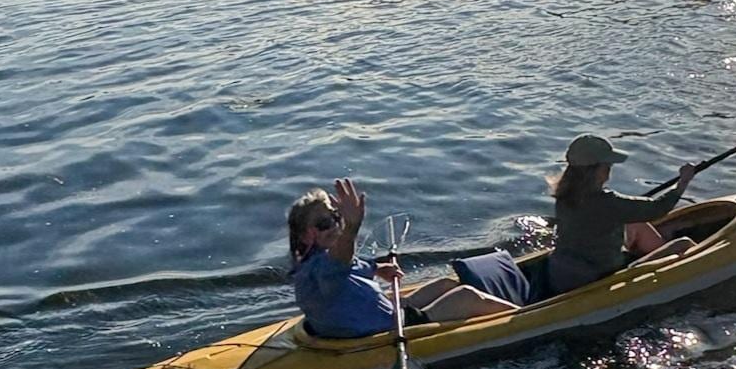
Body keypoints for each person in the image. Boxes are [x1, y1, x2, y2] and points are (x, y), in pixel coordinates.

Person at [288, 178, 508, 338]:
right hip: (390, 327)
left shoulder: (317, 259)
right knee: (467, 296)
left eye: (335, 217)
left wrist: (376, 268)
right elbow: (338, 263)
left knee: (445, 284)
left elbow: (348, 265)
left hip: (378, 311)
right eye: (324, 224)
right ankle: (524, 318)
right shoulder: (321, 269)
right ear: (306, 235)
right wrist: (352, 226)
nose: (335, 226)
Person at [546, 136, 698, 296]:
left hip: (562, 273)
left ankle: (660, 248)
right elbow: (657, 208)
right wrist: (683, 182)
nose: (609, 169)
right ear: (599, 171)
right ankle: (672, 261)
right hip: (600, 276)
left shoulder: (563, 195)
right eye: (608, 165)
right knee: (684, 244)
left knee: (635, 224)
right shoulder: (608, 203)